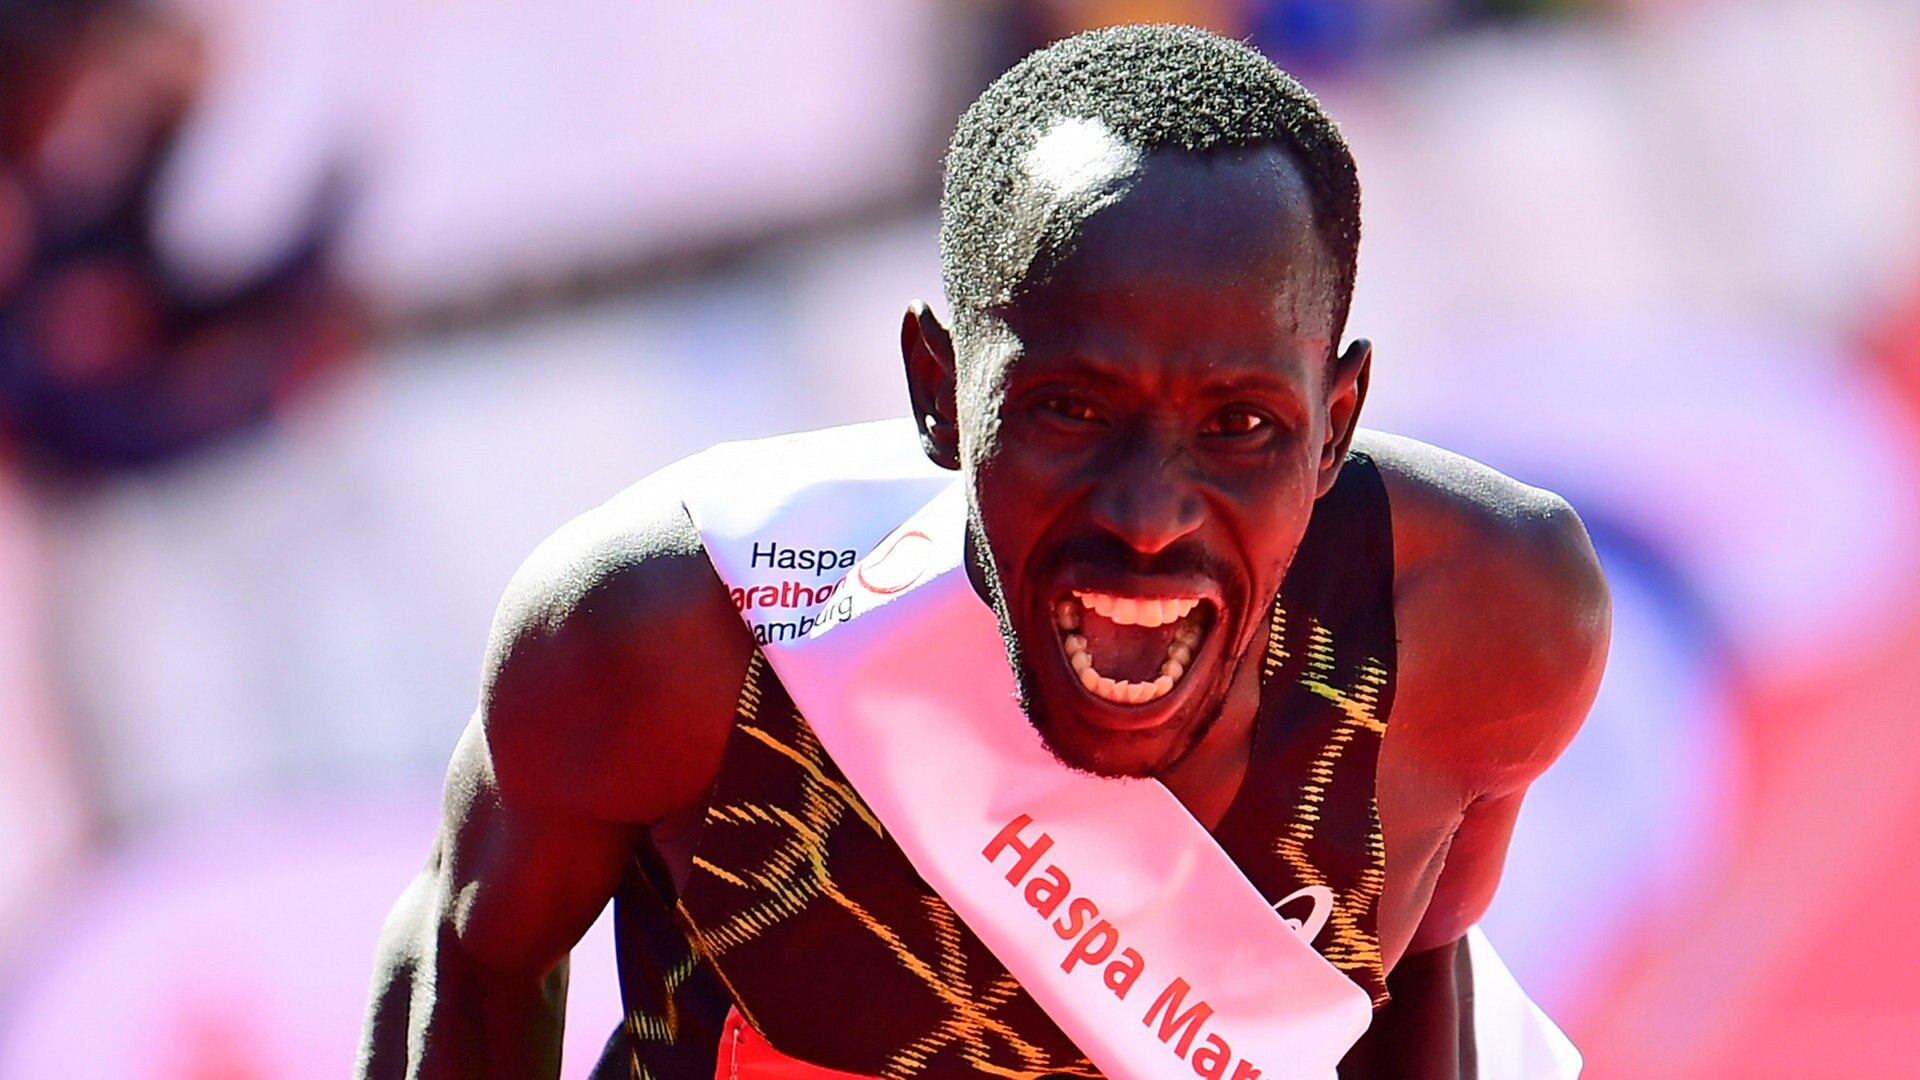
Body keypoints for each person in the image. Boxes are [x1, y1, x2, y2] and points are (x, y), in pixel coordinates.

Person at [359, 25, 1608, 1080]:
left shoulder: (1490, 628)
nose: (1150, 513)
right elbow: (472, 963)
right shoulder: (678, 627)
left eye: (1240, 426)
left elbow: (1417, 975)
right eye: (1072, 409)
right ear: (938, 389)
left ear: (1334, 428)